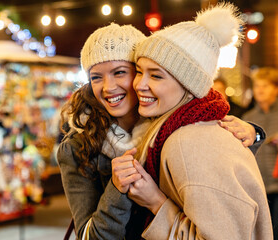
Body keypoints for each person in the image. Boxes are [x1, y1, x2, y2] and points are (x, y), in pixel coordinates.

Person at [58, 23, 265, 240]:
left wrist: (251, 134)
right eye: (96, 77)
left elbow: (221, 178)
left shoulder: (171, 125)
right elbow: (87, 237)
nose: (108, 87)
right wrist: (116, 190)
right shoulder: (78, 147)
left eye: (120, 72)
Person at [112, 3, 273, 239]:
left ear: (189, 86)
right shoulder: (180, 127)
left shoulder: (189, 141)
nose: (140, 84)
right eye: (139, 71)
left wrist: (156, 202)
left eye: (156, 75)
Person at [242, 67, 278, 239]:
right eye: (257, 86)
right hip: (256, 188)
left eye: (265, 86)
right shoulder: (247, 118)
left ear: (276, 89)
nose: (260, 90)